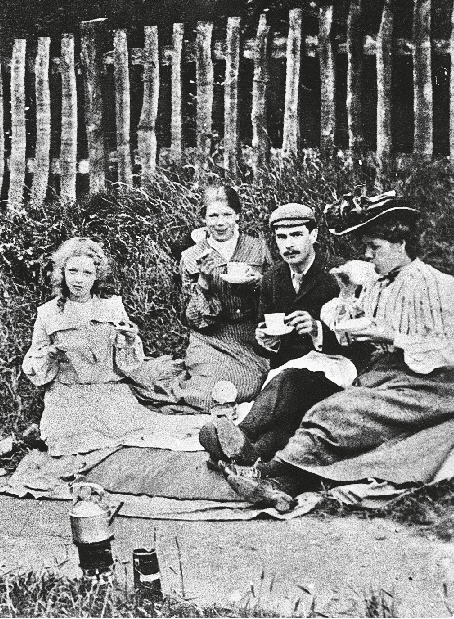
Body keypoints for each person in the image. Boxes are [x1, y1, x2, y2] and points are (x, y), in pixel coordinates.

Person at [224, 191, 454, 510]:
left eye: (375, 247)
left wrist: (393, 337)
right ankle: (276, 478)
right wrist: (347, 295)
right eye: (366, 247)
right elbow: (350, 323)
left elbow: (447, 349)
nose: (369, 255)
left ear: (401, 244)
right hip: (382, 375)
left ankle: (274, 475)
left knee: (336, 411)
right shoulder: (379, 282)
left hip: (429, 386)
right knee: (322, 404)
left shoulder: (436, 287)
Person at [0, 237, 195, 464]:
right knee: (68, 443)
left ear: (97, 276)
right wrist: (50, 355)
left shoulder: (112, 307)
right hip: (67, 396)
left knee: (144, 437)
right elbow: (34, 366)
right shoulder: (48, 313)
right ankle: (22, 442)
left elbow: (128, 365)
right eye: (72, 271)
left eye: (87, 273)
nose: (79, 280)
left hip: (108, 392)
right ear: (62, 273)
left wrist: (129, 340)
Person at [198, 203, 365, 465]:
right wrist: (266, 342)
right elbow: (265, 345)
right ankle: (243, 455)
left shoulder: (339, 274)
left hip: (336, 368)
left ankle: (239, 434)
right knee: (290, 421)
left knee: (291, 381)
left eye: (297, 235)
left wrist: (317, 330)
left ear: (314, 235)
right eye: (281, 237)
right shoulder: (273, 278)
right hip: (288, 370)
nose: (288, 244)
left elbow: (360, 341)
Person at [144, 185, 272, 412]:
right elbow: (191, 319)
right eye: (213, 215)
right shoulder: (191, 256)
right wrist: (203, 280)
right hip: (209, 338)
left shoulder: (257, 248)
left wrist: (259, 282)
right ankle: (188, 383)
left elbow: (275, 295)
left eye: (227, 215)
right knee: (206, 395)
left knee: (248, 387)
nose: (220, 222)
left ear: (238, 215)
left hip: (248, 337)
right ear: (203, 218)